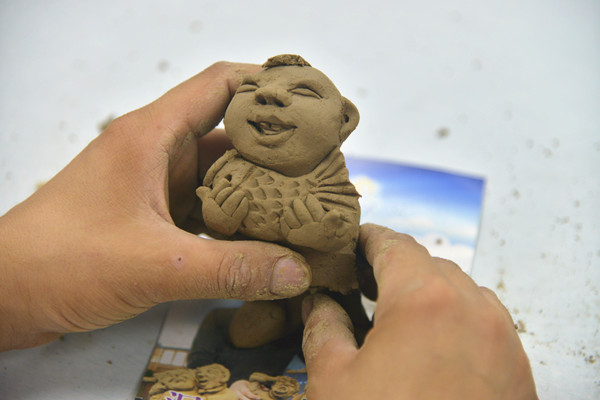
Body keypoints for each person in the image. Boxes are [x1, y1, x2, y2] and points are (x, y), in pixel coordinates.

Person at [0, 61, 538, 399]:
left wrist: (317, 225)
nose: (269, 97)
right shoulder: (231, 168)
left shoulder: (328, 173)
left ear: (344, 121)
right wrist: (223, 213)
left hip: (329, 282)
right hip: (265, 286)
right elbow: (217, 222)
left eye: (302, 92)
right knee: (251, 328)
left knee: (351, 320)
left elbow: (339, 224)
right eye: (253, 88)